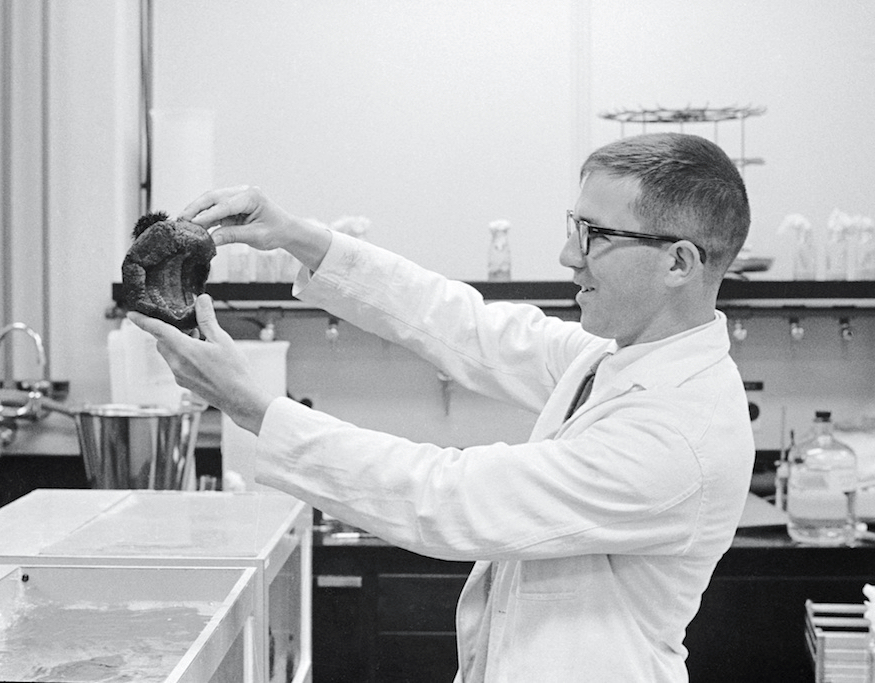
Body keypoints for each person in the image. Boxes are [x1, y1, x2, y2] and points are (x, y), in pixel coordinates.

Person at [129, 132, 755, 682]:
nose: (569, 256)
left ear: (680, 261)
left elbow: (449, 498)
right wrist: (297, 236)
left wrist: (256, 410)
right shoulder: (616, 357)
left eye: (596, 237)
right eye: (574, 227)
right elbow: (464, 326)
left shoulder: (681, 433)